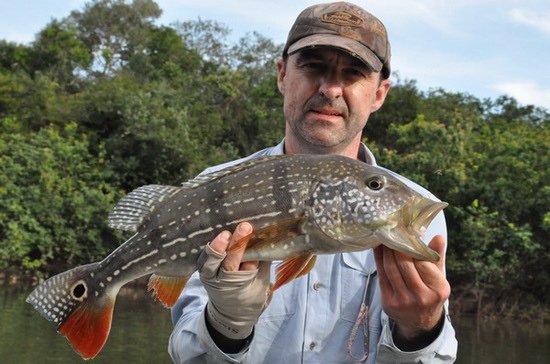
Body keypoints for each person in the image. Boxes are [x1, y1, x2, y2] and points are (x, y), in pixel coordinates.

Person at [169, 2, 457, 363]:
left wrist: (421, 329)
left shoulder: (415, 209)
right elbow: (186, 354)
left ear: (379, 94)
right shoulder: (207, 190)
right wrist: (226, 324)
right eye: (313, 66)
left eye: (353, 73)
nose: (331, 88)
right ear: (282, 75)